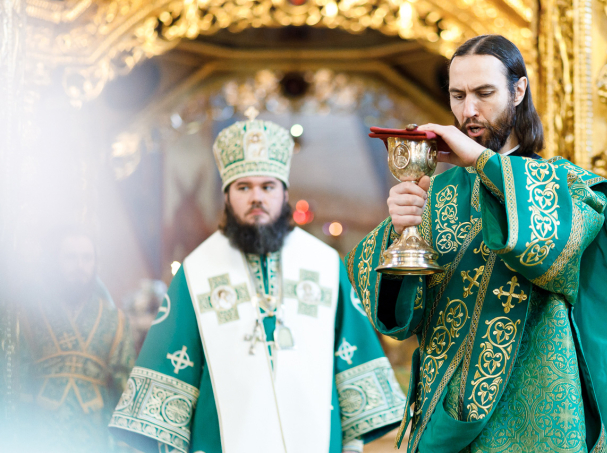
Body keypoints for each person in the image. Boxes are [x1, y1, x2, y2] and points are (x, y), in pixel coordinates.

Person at [346, 34, 607, 453]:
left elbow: (550, 249)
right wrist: (399, 230)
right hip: (447, 416)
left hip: (540, 421)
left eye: (484, 93)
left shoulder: (567, 185)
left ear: (518, 91)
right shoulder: (435, 194)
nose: (468, 111)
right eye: (457, 95)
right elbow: (399, 319)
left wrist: (481, 161)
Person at [110, 111, 406, 453]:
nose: (257, 198)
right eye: (243, 187)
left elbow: (351, 357)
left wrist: (351, 443)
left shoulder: (324, 264)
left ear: (284, 194)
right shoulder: (197, 272)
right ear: (227, 196)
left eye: (267, 186)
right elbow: (171, 366)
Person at [18, 226, 135, 453]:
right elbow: (19, 376)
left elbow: (124, 388)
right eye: (70, 258)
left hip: (95, 434)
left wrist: (124, 445)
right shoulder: (31, 315)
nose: (80, 266)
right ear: (56, 262)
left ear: (95, 264)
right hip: (40, 432)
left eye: (87, 258)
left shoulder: (115, 320)